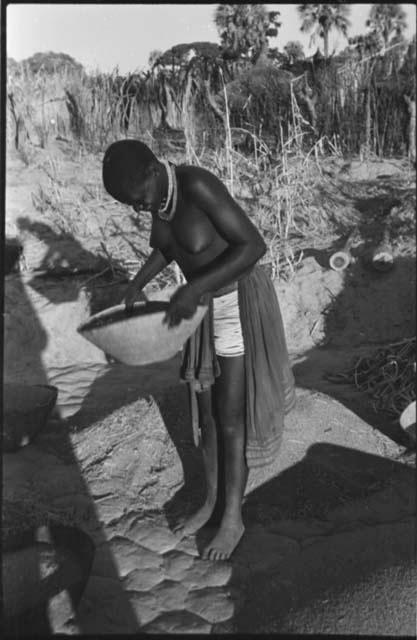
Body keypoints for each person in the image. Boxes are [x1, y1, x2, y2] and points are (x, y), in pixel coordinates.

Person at [102, 139, 295, 561]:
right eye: (132, 206)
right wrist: (138, 281)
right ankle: (210, 501)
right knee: (206, 413)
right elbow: (167, 247)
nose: (140, 210)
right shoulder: (161, 201)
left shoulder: (198, 186)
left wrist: (194, 287)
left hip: (233, 302)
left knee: (229, 417)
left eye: (139, 200)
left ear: (154, 172)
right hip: (200, 305)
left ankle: (232, 519)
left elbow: (253, 246)